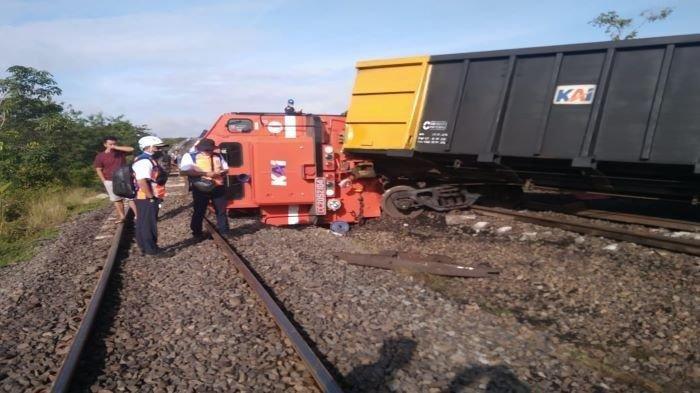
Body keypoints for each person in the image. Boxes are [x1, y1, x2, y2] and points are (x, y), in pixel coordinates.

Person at [179, 138, 230, 237]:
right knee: (199, 210)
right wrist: (205, 173)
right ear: (199, 149)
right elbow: (184, 171)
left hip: (218, 186)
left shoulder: (218, 156)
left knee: (221, 210)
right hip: (200, 187)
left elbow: (226, 169)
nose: (208, 152)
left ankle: (224, 231)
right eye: (206, 150)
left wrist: (221, 172)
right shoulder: (190, 156)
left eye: (210, 150)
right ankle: (197, 232)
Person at [133, 136, 170, 257]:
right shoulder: (144, 161)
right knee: (149, 224)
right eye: (156, 147)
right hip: (146, 197)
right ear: (149, 147)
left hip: (145, 197)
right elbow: (141, 181)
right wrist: (151, 197)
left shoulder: (146, 159)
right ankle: (151, 250)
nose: (159, 149)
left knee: (143, 223)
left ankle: (144, 247)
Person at [93, 136, 135, 223]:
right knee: (117, 199)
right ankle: (122, 217)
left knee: (130, 198)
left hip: (124, 178)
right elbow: (98, 169)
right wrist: (104, 181)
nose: (112, 145)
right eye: (110, 144)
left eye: (114, 143)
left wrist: (116, 147)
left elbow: (131, 149)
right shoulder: (100, 156)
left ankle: (138, 216)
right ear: (105, 145)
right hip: (109, 180)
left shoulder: (120, 151)